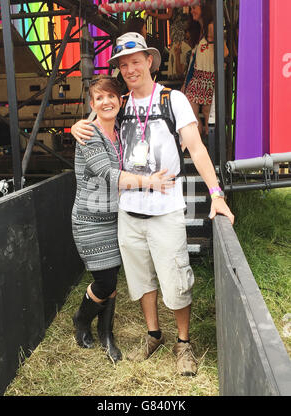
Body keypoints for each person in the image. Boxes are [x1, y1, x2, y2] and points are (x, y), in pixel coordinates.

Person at [71, 32, 234, 376]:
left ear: (149, 61)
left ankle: (183, 343)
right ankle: (153, 334)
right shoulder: (121, 102)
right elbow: (93, 123)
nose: (129, 68)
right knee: (141, 279)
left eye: (135, 61)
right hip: (128, 212)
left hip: (165, 209)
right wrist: (75, 126)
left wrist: (216, 194)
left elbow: (197, 148)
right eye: (122, 64)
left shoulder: (172, 100)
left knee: (175, 278)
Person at [71, 74, 175, 364]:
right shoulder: (89, 134)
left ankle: (107, 335)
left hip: (116, 217)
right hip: (90, 220)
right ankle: (81, 319)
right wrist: (149, 182)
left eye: (110, 96)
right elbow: (110, 174)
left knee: (112, 279)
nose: (106, 102)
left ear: (120, 100)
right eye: (99, 98)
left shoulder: (120, 129)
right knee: (103, 282)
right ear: (92, 104)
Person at [181, 0, 229, 139]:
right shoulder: (199, 30)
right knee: (191, 114)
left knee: (209, 114)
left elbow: (225, 52)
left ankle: (211, 148)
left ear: (203, 8)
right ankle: (200, 145)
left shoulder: (212, 26)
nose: (192, 11)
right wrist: (186, 82)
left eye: (194, 8)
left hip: (209, 76)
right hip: (197, 77)